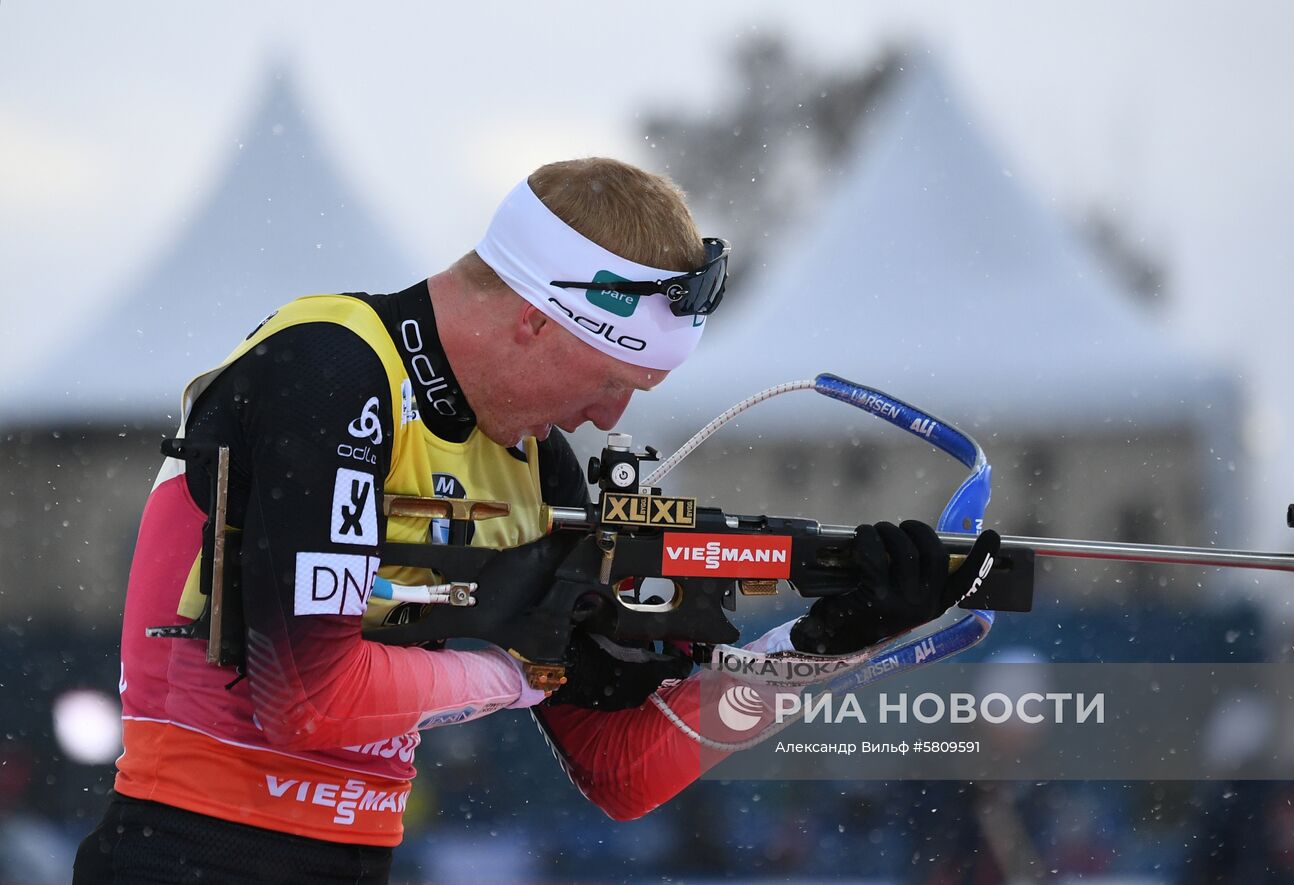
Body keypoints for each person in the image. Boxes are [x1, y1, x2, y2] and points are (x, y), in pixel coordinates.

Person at [73, 157, 997, 884]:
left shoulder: (528, 452)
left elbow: (624, 770)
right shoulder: (332, 370)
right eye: (611, 382)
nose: (610, 422)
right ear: (533, 322)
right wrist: (512, 666)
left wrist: (813, 646)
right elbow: (306, 697)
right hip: (187, 852)